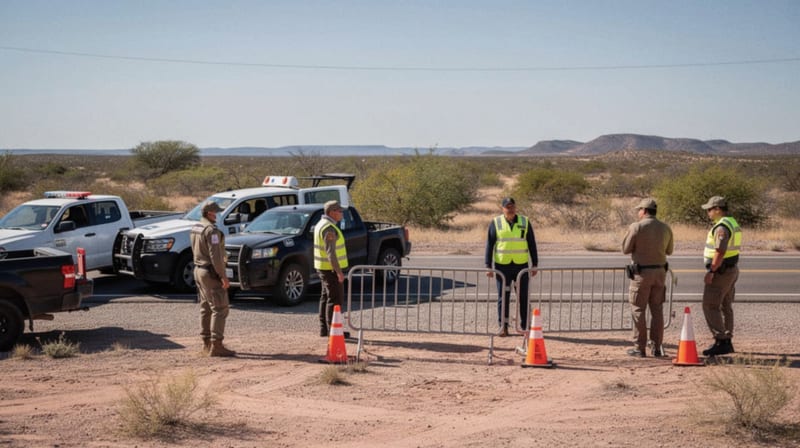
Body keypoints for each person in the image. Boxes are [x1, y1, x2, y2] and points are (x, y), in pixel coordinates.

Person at [621, 198, 674, 357]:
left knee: (638, 310)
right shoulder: (666, 228)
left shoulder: (636, 227)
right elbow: (669, 251)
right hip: (660, 274)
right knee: (657, 310)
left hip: (642, 274)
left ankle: (639, 347)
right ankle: (657, 347)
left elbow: (625, 248)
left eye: (639, 210)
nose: (638, 213)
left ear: (644, 211)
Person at [484, 197, 538, 337]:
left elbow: (531, 243)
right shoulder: (496, 223)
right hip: (503, 266)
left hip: (521, 266)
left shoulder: (524, 222)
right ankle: (503, 327)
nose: (510, 209)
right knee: (503, 297)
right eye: (507, 207)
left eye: (512, 206)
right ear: (503, 209)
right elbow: (490, 245)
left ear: (515, 207)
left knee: (523, 297)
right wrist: (488, 266)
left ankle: (524, 326)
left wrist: (535, 264)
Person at [190, 201, 235, 357]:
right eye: (215, 212)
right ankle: (217, 345)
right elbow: (216, 257)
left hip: (198, 270)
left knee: (206, 307)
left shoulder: (196, 227)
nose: (217, 215)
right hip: (210, 272)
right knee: (220, 308)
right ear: (209, 213)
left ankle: (206, 343)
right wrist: (223, 276)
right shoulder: (212, 231)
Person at [700, 196, 742, 357]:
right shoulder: (732, 222)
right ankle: (727, 340)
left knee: (710, 305)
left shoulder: (722, 227)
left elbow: (720, 251)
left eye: (710, 209)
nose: (708, 213)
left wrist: (712, 271)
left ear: (718, 209)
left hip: (721, 271)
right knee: (725, 305)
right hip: (730, 270)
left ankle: (721, 340)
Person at [314, 200, 349, 338]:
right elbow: (331, 253)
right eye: (340, 211)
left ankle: (325, 329)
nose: (342, 214)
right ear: (331, 212)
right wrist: (339, 272)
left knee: (326, 298)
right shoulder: (329, 228)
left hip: (324, 268)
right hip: (330, 269)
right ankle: (332, 330)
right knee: (335, 299)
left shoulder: (321, 224)